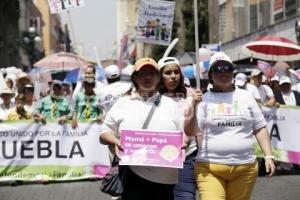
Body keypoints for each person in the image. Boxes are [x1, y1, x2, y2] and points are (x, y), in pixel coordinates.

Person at [185, 52, 275, 200]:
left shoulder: (246, 96)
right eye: (217, 69)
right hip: (210, 168)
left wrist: (269, 156)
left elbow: (259, 127)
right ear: (211, 75)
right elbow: (190, 131)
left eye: (227, 68)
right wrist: (193, 106)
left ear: (232, 72)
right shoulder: (202, 100)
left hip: (245, 168)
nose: (223, 72)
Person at [99, 57, 182, 200]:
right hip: (133, 176)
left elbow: (184, 136)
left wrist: (182, 145)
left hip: (165, 178)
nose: (148, 77)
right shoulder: (123, 103)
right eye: (143, 73)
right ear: (135, 78)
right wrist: (115, 142)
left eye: (152, 73)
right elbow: (103, 133)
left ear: (158, 78)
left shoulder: (171, 104)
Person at [157, 57, 202, 200]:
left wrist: (195, 104)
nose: (173, 76)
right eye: (168, 72)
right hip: (158, 161)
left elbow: (198, 129)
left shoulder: (191, 97)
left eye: (176, 72)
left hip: (187, 158)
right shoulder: (151, 99)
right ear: (159, 76)